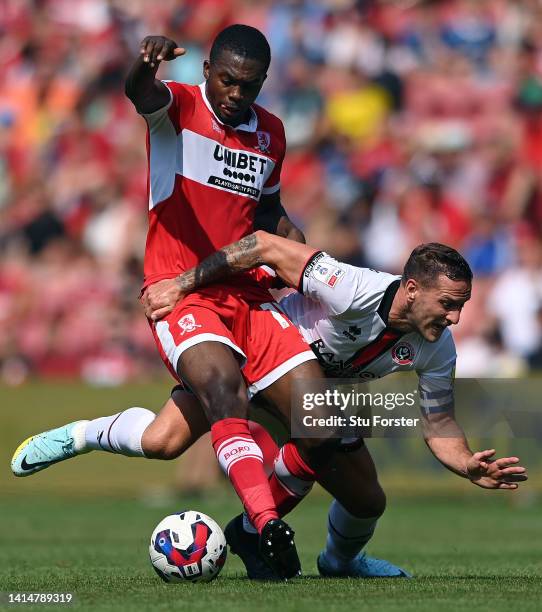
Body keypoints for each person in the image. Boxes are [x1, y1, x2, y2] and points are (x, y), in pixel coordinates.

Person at [11, 24, 346, 580]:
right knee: (223, 390)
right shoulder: (179, 107)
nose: (237, 93)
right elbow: (139, 91)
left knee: (311, 427)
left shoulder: (272, 134)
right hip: (179, 289)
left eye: (251, 84)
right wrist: (147, 64)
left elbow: (267, 213)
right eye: (228, 80)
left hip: (249, 298)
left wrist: (305, 255)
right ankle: (264, 526)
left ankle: (87, 434)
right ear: (208, 69)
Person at [12, 237, 527, 580]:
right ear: (412, 289)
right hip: (256, 357)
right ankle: (80, 434)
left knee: (368, 501)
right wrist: (185, 282)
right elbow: (263, 246)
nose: (457, 317)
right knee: (162, 443)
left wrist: (466, 465)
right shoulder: (351, 288)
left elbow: (437, 422)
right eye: (449, 304)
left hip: (309, 402)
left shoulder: (438, 347)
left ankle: (338, 562)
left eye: (461, 305)